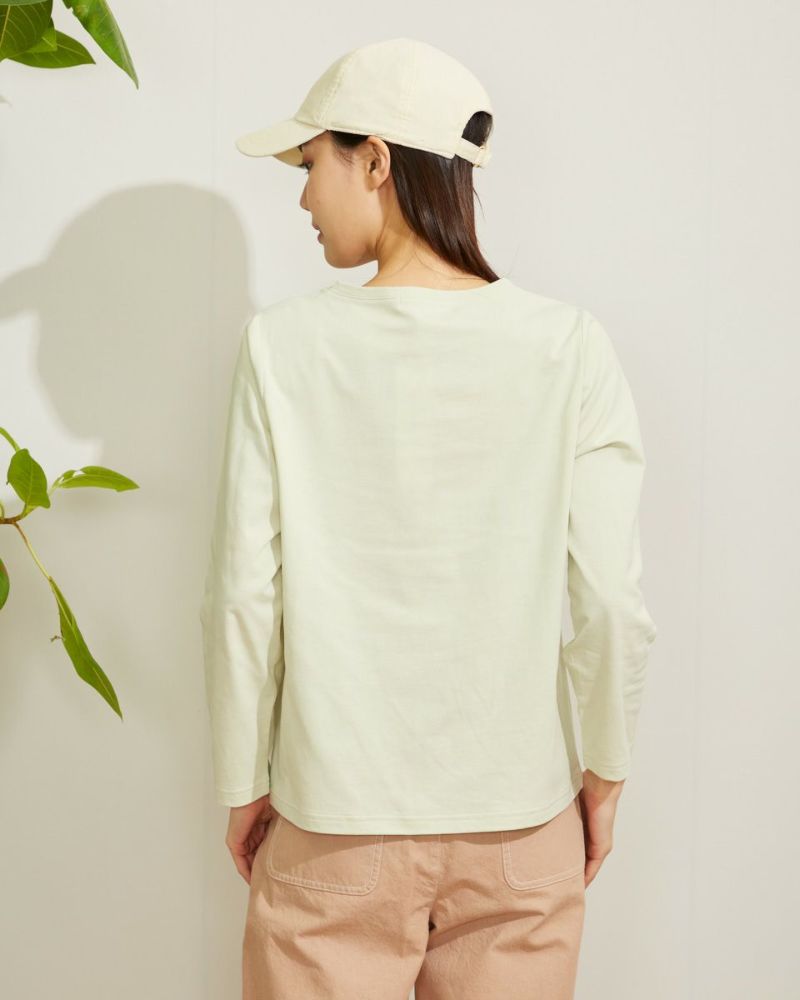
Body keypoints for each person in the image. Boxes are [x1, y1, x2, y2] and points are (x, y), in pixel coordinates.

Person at [199, 36, 658, 1000]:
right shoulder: (569, 347)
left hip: (335, 826)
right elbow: (610, 603)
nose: (301, 197)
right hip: (522, 829)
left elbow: (243, 594)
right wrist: (605, 774)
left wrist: (244, 781)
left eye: (310, 163)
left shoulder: (283, 348)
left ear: (374, 160)